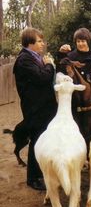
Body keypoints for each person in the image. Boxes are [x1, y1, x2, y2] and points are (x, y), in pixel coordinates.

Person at [13, 27, 57, 190]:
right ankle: (33, 178)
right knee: (37, 140)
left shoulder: (34, 57)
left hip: (43, 107)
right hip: (35, 109)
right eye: (39, 41)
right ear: (29, 42)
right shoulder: (24, 60)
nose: (42, 44)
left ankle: (41, 172)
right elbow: (42, 78)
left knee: (42, 139)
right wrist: (50, 65)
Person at [58, 27, 91, 147]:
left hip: (90, 104)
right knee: (74, 132)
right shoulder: (69, 57)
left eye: (83, 41)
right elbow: (59, 71)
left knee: (90, 133)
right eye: (78, 41)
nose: (80, 43)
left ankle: (89, 159)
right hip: (73, 102)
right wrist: (60, 54)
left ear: (88, 41)